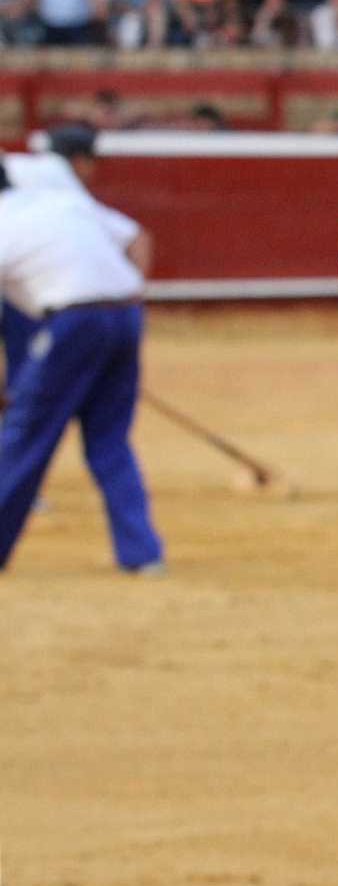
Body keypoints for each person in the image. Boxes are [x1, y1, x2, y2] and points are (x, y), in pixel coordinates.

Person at [0, 154, 163, 572]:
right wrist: (125, 298)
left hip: (73, 320)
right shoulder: (60, 201)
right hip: (125, 312)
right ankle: (143, 555)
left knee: (24, 433)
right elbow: (136, 236)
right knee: (109, 440)